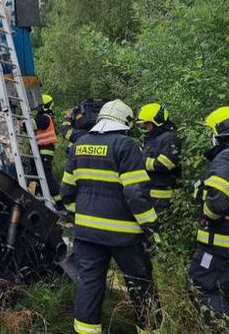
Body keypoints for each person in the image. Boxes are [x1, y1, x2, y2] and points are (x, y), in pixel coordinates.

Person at [61, 99, 161, 334]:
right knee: (141, 285)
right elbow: (136, 194)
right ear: (125, 122)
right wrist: (151, 228)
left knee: (90, 284)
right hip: (125, 237)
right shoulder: (125, 145)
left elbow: (66, 192)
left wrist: (84, 215)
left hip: (86, 235)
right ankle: (150, 330)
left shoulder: (80, 144)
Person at [189, 106, 229, 325]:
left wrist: (207, 212)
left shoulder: (225, 159)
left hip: (219, 247)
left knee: (202, 288)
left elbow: (218, 202)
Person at [136, 103, 182, 212]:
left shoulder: (169, 138)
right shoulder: (152, 138)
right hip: (150, 195)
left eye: (147, 123)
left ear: (157, 121)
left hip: (165, 197)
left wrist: (140, 161)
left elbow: (166, 163)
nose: (146, 127)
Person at [33, 94, 61, 206]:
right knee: (36, 174)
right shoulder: (44, 117)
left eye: (39, 106)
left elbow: (30, 125)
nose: (37, 108)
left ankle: (61, 202)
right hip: (41, 151)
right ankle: (39, 197)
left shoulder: (44, 118)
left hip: (44, 151)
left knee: (46, 177)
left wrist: (18, 121)